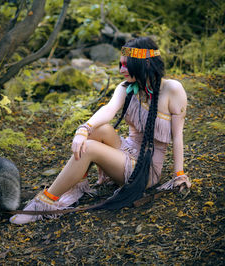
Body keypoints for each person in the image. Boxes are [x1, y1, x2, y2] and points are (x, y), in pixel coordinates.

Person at [10, 36, 192, 225]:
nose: (121, 70)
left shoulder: (173, 90)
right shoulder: (127, 87)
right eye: (120, 64)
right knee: (97, 130)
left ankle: (44, 204)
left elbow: (178, 136)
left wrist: (179, 175)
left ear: (144, 64)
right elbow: (108, 109)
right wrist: (83, 129)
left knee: (89, 148)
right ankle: (76, 184)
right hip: (126, 149)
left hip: (146, 170)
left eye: (126, 65)